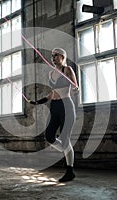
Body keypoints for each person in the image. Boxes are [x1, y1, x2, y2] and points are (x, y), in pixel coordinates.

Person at [29, 48, 78, 182]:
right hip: (54, 107)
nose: (53, 57)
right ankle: (64, 149)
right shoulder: (51, 73)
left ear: (62, 57)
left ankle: (70, 171)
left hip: (66, 106)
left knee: (65, 138)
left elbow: (75, 86)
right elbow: (52, 94)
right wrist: (38, 101)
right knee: (49, 136)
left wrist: (75, 88)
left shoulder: (67, 69)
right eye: (52, 56)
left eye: (56, 55)